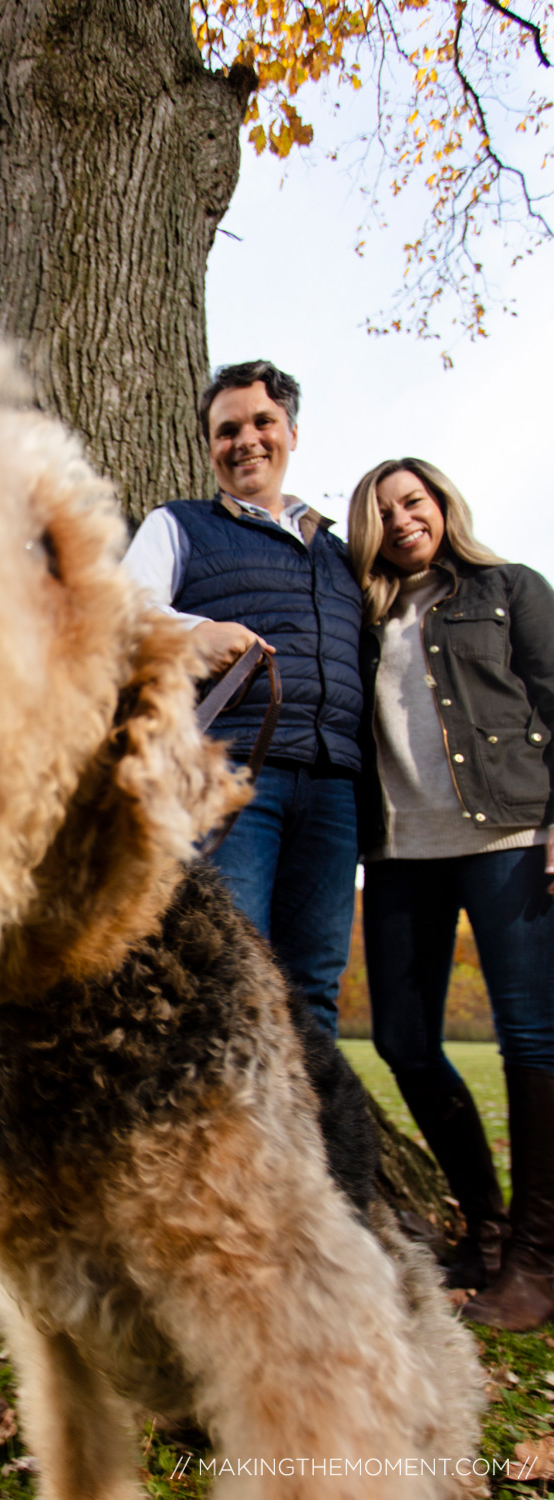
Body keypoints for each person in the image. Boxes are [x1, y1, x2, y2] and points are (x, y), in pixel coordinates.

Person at [348, 456, 554, 1332]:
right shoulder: (363, 615)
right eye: (383, 510)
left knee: (531, 1038)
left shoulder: (509, 587)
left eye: (413, 502)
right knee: (401, 1040)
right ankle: (488, 1227)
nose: (401, 520)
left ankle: (538, 1265)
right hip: (400, 852)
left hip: (509, 837)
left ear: (441, 505)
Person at [124, 360, 363, 1036]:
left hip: (334, 784)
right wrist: (197, 631)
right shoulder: (178, 524)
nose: (246, 440)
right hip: (230, 775)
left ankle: (308, 1141)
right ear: (210, 447)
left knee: (315, 984)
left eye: (262, 422)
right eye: (227, 430)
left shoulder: (339, 553)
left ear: (291, 431)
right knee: (226, 970)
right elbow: (117, 612)